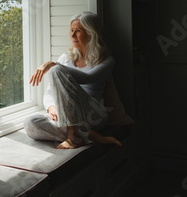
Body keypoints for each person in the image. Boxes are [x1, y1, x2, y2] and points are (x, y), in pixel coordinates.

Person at [24, 11, 122, 149]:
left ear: (91, 33)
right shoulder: (65, 58)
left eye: (78, 31)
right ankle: (87, 134)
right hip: (71, 118)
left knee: (56, 70)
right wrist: (52, 107)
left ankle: (73, 136)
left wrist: (53, 65)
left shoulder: (106, 60)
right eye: (71, 31)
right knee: (30, 123)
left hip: (93, 114)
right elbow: (49, 93)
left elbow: (88, 78)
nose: (72, 35)